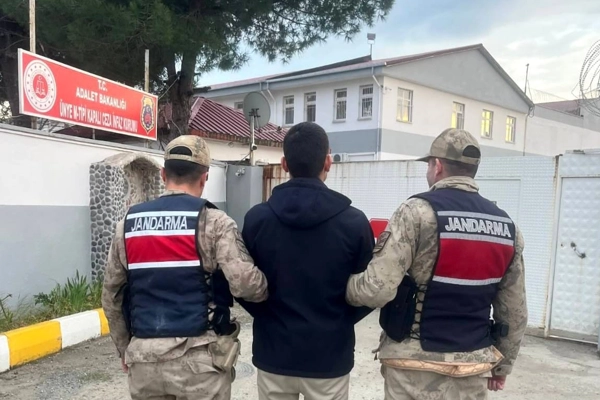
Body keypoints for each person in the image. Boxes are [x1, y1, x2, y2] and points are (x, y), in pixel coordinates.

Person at [346, 128, 528, 400]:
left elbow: (377, 289)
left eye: (429, 165)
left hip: (413, 366)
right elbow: (515, 310)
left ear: (438, 166)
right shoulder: (507, 227)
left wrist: (344, 286)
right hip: (472, 366)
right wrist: (503, 365)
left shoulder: (416, 212)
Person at [102, 135, 268, 400]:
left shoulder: (127, 225)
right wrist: (267, 287)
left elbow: (111, 296)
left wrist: (125, 349)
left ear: (163, 174)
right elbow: (245, 285)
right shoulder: (215, 223)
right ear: (205, 177)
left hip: (144, 362)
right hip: (200, 363)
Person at [238, 122, 374, 400]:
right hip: (329, 357)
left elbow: (241, 283)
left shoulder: (257, 219)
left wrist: (267, 316)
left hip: (273, 352)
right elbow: (369, 288)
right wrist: (338, 321)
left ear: (284, 164)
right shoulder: (354, 222)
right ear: (328, 162)